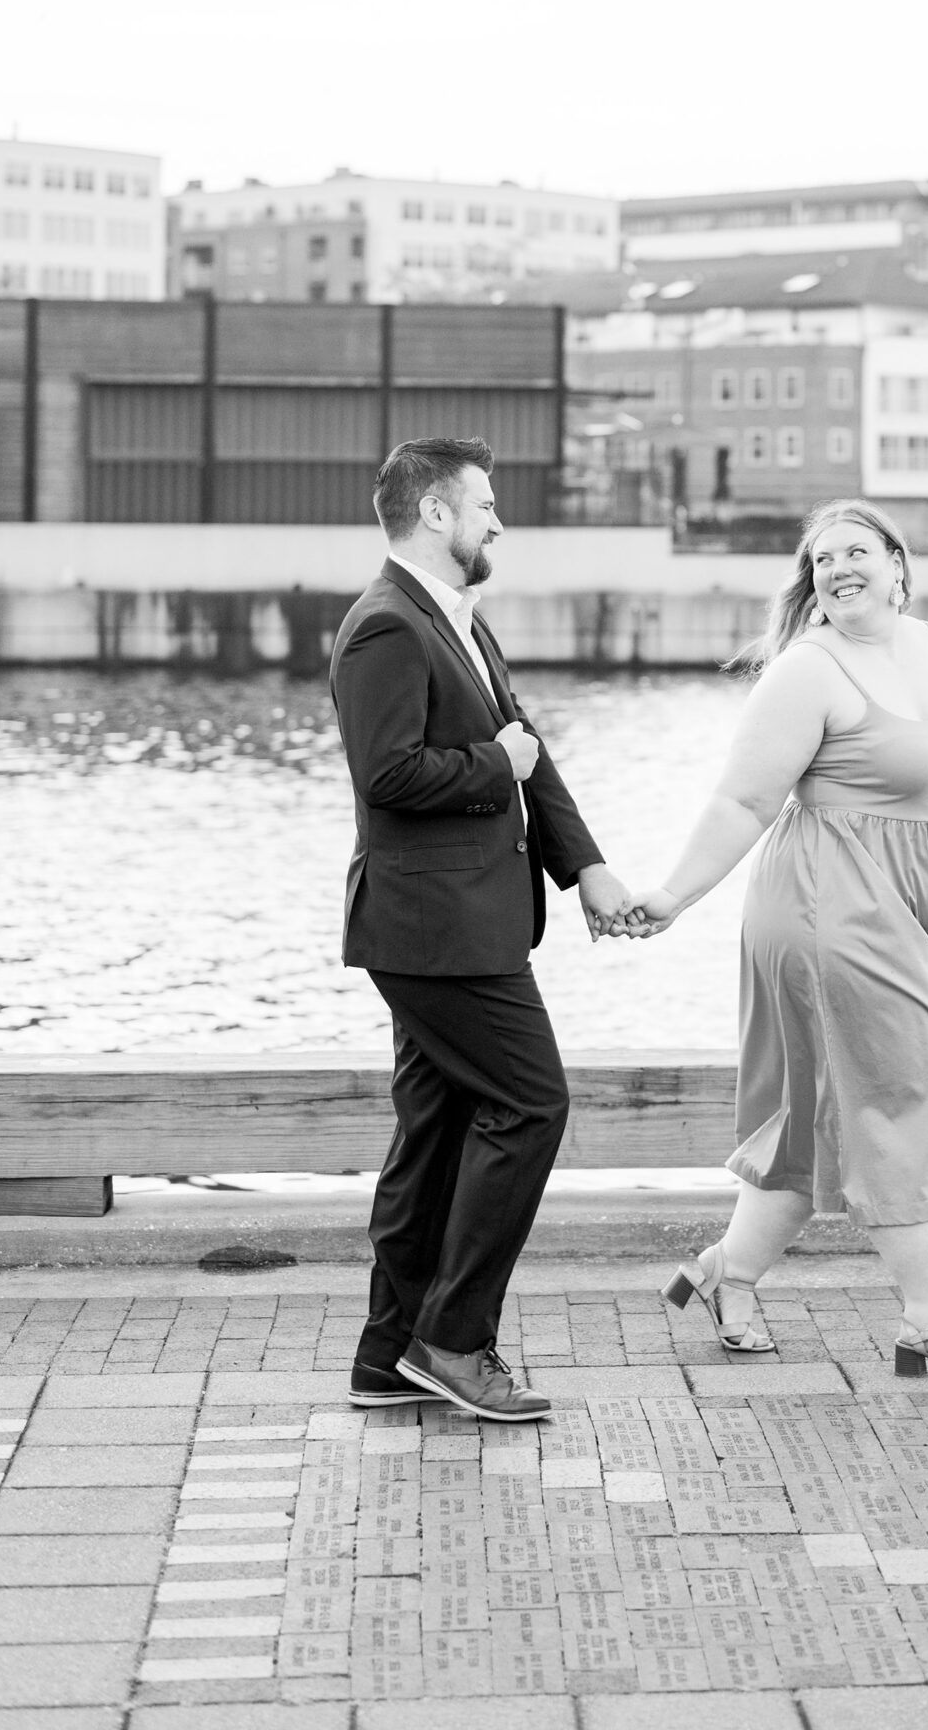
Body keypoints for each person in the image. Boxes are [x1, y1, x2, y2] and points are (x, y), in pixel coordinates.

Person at [633, 497, 928, 1384]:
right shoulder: (807, 672)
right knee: (910, 1089)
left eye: (856, 551)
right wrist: (672, 895)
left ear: (897, 563)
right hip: (828, 899)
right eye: (820, 560)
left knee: (819, 1116)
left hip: (920, 900)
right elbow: (742, 802)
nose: (839, 568)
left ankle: (724, 1273)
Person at [331, 435, 636, 1420]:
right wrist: (492, 766)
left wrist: (583, 867)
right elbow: (389, 776)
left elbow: (526, 748)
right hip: (433, 932)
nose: (497, 521)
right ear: (434, 514)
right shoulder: (386, 626)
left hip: (466, 925)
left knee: (439, 1127)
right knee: (531, 1103)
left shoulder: (454, 619)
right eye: (484, 505)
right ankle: (454, 1341)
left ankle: (389, 1357)